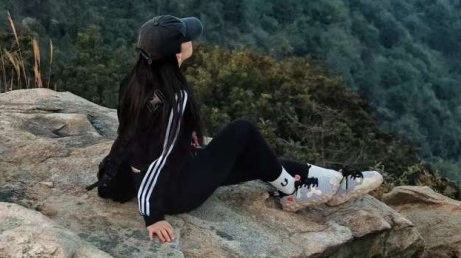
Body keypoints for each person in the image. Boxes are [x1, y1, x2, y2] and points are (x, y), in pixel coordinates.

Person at [98, 14, 383, 243]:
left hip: (180, 169)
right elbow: (154, 159)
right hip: (176, 190)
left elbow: (132, 139)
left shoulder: (136, 80)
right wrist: (152, 214)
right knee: (242, 131)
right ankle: (294, 189)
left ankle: (331, 181)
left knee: (256, 159)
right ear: (177, 54)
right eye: (186, 38)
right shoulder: (173, 97)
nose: (191, 40)